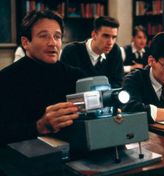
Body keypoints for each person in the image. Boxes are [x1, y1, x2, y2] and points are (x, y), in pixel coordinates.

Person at [0, 10, 86, 145]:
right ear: (25, 42)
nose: (52, 43)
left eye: (57, 37)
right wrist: (39, 127)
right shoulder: (6, 79)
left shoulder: (76, 76)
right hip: (26, 159)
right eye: (44, 36)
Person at [60, 16, 124, 88]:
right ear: (94, 35)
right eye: (106, 36)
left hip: (105, 98)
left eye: (114, 37)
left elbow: (118, 84)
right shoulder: (71, 51)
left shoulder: (115, 51)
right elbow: (65, 85)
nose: (110, 42)